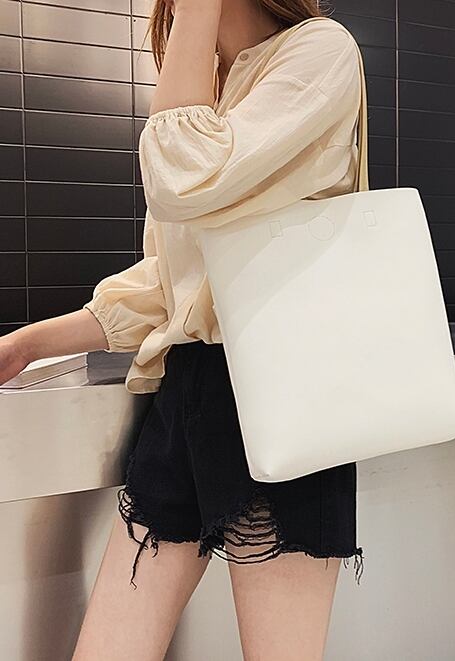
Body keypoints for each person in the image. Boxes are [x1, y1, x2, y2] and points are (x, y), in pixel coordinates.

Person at [0, 0, 365, 658]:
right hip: (189, 391)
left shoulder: (319, 51)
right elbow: (169, 284)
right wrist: (27, 344)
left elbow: (181, 177)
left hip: (282, 392)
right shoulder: (205, 96)